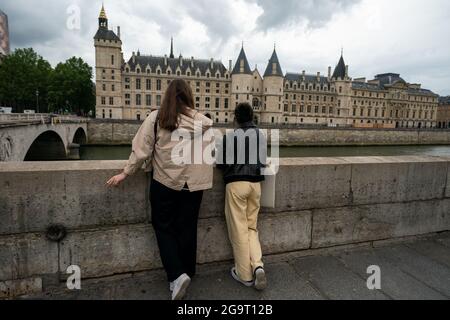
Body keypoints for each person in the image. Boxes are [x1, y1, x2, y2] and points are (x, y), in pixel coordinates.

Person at [106, 79, 213, 300]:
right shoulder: (203, 122)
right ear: (189, 97)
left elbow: (142, 149)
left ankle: (176, 275)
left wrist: (125, 172)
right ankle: (187, 272)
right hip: (194, 185)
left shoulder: (158, 118)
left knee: (163, 226)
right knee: (187, 228)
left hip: (165, 182)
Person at [217, 102, 268, 291]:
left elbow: (221, 164)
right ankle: (258, 266)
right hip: (256, 185)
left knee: (239, 230)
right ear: (252, 116)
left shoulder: (230, 137)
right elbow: (262, 161)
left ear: (236, 118)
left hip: (237, 185)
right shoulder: (260, 135)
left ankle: (244, 275)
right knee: (251, 227)